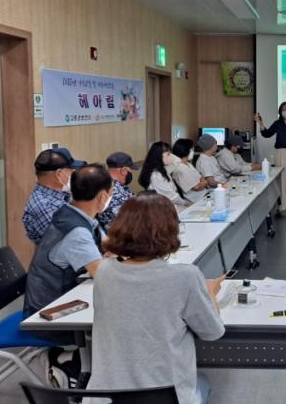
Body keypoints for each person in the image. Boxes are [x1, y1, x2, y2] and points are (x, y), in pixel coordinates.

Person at [87, 193, 226, 404]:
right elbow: (212, 332)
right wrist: (210, 294)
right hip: (166, 397)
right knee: (203, 382)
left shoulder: (105, 271)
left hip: (106, 398)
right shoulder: (186, 277)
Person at [23, 164, 113, 331]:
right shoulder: (76, 231)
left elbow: (107, 245)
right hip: (51, 316)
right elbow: (102, 274)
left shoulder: (71, 212)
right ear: (102, 197)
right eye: (111, 193)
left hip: (57, 300)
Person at [22, 148, 85, 245]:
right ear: (59, 174)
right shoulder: (44, 205)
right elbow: (74, 242)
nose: (73, 175)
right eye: (71, 171)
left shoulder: (60, 196)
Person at [138, 142, 190, 208]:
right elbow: (172, 197)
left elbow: (178, 160)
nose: (171, 157)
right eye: (168, 154)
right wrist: (186, 203)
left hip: (170, 205)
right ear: (158, 155)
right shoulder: (156, 175)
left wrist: (167, 153)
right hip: (164, 208)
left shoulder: (162, 169)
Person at [97, 151, 137, 230]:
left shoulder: (101, 183)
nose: (131, 173)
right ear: (123, 170)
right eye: (130, 170)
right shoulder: (116, 191)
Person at [171, 138, 209, 203]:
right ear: (186, 150)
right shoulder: (179, 168)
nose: (193, 151)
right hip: (197, 199)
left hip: (205, 193)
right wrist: (205, 182)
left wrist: (203, 182)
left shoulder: (188, 164)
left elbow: (201, 177)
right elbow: (197, 187)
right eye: (192, 149)